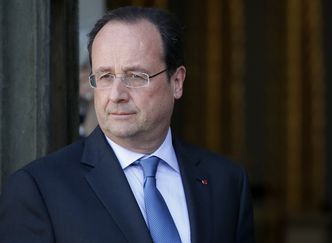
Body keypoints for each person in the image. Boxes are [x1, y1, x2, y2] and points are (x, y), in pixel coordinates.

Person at [0, 6, 255, 243]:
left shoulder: (227, 182)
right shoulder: (39, 190)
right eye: (105, 76)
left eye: (135, 76)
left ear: (177, 82)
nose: (116, 94)